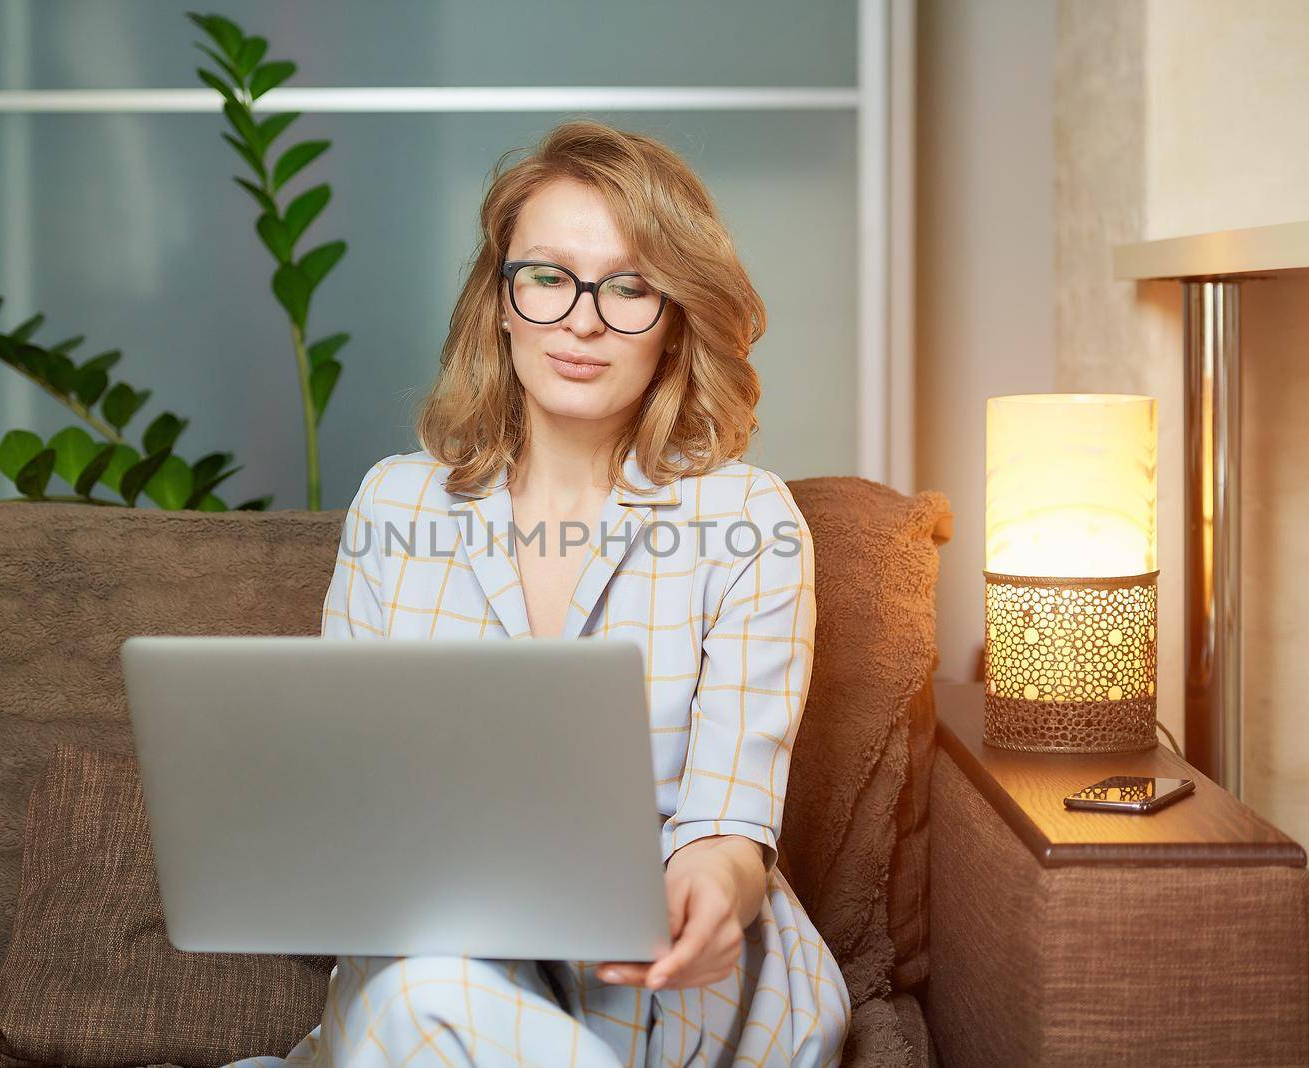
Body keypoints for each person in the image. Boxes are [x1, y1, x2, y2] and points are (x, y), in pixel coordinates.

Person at [232, 118, 850, 1066]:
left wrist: (712, 895)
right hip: (436, 966)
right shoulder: (396, 503)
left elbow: (729, 823)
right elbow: (353, 801)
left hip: (657, 982)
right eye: (549, 277)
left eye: (630, 286)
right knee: (424, 995)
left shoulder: (748, 518)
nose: (584, 318)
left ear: (676, 316)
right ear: (502, 301)